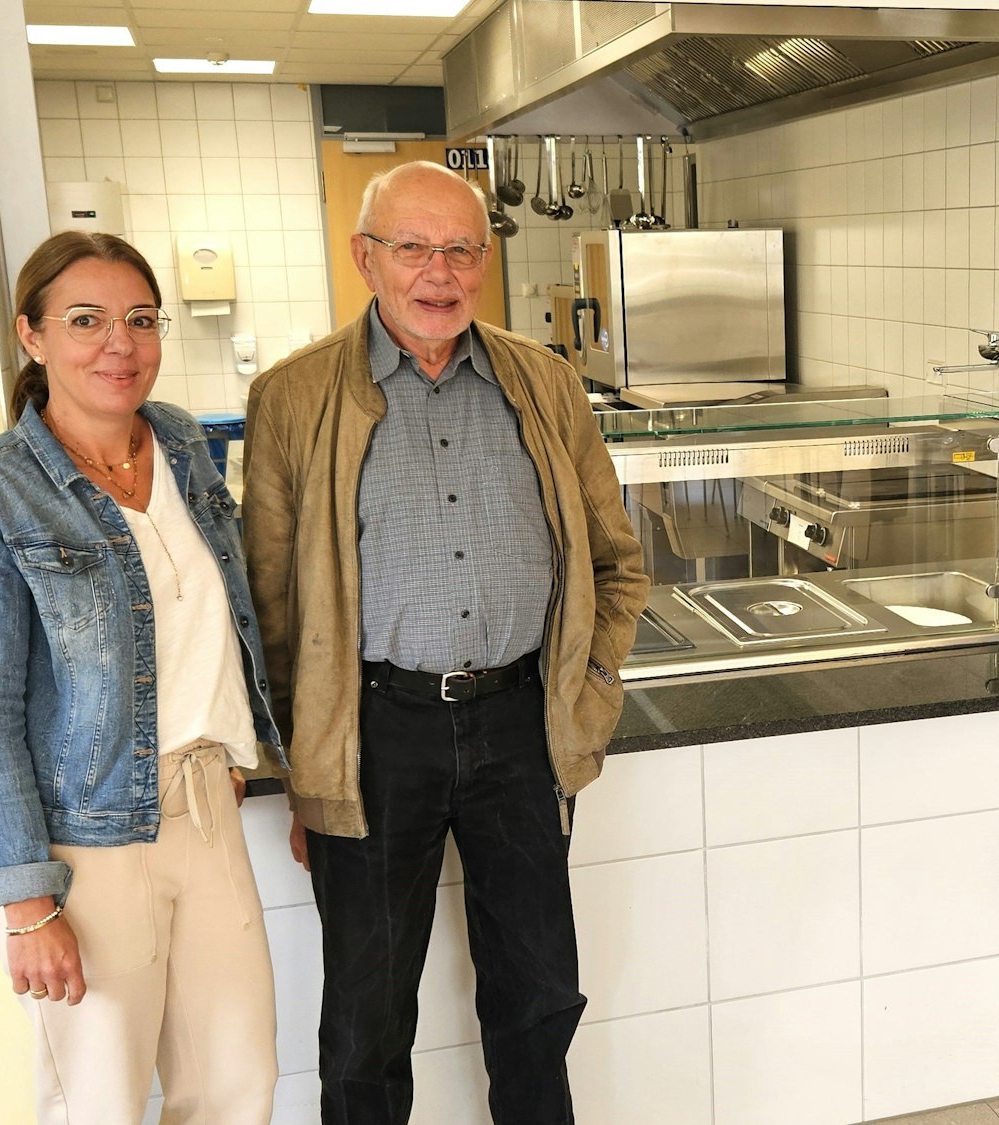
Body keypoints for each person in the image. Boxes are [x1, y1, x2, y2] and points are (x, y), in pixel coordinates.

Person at [241, 161, 646, 1125]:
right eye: (413, 247)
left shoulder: (544, 384)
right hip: (378, 733)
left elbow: (616, 558)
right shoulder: (293, 399)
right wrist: (313, 770)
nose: (441, 271)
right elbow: (270, 607)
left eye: (463, 247)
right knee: (366, 1019)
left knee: (538, 995)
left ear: (485, 259)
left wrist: (585, 690)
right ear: (366, 258)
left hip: (520, 724)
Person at [0, 230, 286, 1123]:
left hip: (208, 814)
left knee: (237, 1088)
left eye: (139, 319)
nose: (119, 344)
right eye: (85, 320)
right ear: (33, 335)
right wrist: (26, 903)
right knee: (101, 1102)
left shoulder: (176, 440)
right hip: (87, 845)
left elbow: (216, 612)